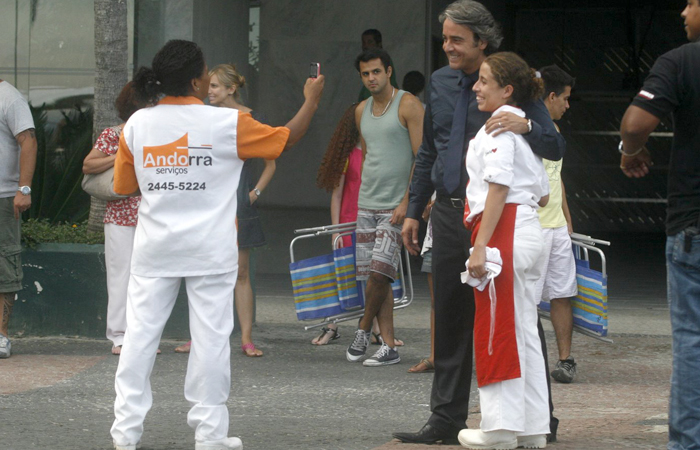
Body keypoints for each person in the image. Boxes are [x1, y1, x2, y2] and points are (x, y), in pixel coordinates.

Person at [110, 39, 324, 450]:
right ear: (194, 80)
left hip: (154, 252)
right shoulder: (228, 123)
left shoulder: (137, 124)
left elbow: (124, 185)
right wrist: (311, 99)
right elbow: (285, 139)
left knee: (138, 340)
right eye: (206, 71)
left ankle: (125, 434)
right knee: (210, 343)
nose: (210, 78)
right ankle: (210, 436)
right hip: (210, 251)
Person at [395, 0, 565, 445]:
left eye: (457, 40)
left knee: (513, 317)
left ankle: (538, 419)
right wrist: (415, 209)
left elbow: (554, 145)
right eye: (445, 38)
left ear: (481, 42)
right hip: (451, 211)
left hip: (496, 220)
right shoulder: (441, 82)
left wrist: (526, 124)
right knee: (449, 315)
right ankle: (445, 418)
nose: (448, 47)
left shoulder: (511, 84)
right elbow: (430, 150)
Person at [458, 51, 550, 450]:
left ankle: (498, 428)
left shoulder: (498, 128)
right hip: (527, 227)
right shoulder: (521, 131)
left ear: (507, 90)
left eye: (483, 80)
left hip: (504, 229)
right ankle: (531, 427)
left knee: (498, 326)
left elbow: (497, 187)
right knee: (523, 328)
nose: (476, 87)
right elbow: (544, 195)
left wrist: (480, 245)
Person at [619, 1, 700, 448]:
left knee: (692, 341)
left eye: (691, 2)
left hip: (694, 226)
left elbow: (635, 123)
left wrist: (631, 150)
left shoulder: (681, 61)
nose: (683, 11)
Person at [173, 63, 275, 357]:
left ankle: (245, 339)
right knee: (204, 272)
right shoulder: (202, 117)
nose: (209, 91)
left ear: (232, 89)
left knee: (241, 273)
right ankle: (199, 337)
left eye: (215, 86)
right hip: (207, 206)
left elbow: (271, 162)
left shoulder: (252, 119)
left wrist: (254, 193)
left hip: (238, 206)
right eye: (209, 86)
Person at [345, 47, 423, 366]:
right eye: (366, 73)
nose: (372, 78)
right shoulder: (361, 110)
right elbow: (369, 155)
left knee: (379, 272)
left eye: (376, 71)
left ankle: (363, 329)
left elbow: (421, 156)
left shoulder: (408, 104)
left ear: (389, 71)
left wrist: (408, 201)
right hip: (367, 204)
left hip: (395, 206)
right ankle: (388, 345)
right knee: (377, 276)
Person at [82, 81, 154, 356]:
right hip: (121, 216)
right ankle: (119, 336)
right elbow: (88, 165)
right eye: (150, 102)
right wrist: (119, 157)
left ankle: (142, 336)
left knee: (148, 278)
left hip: (151, 215)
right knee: (120, 275)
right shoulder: (113, 135)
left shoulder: (157, 135)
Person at [534, 64, 578, 383]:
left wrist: (567, 218)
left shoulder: (556, 131)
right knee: (527, 299)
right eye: (564, 98)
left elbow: (556, 177)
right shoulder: (529, 129)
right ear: (551, 96)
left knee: (562, 293)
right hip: (532, 227)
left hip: (557, 227)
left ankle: (565, 361)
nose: (567, 105)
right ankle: (528, 362)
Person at [313, 102, 362, 345]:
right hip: (347, 226)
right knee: (342, 276)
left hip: (372, 224)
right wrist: (336, 231)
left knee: (372, 277)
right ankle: (331, 326)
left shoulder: (379, 152)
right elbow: (337, 195)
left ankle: (375, 330)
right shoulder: (348, 154)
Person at [0, 78, 37, 359]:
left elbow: (29, 141)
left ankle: (1, 336)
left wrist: (23, 189)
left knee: (4, 262)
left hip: (3, 196)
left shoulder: (9, 98)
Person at [358, 29, 399, 102]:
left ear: (379, 43)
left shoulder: (384, 60)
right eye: (364, 42)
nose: (366, 46)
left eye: (370, 42)